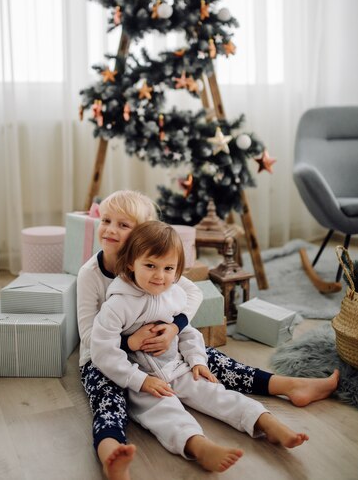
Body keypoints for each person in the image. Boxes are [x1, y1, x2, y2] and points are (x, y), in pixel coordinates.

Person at [77, 190, 338, 479]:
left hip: (166, 357)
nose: (111, 230)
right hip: (111, 359)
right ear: (133, 263)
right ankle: (113, 453)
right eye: (106, 221)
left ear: (144, 234)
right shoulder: (97, 280)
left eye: (123, 225)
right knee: (115, 399)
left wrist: (177, 332)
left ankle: (281, 397)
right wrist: (131, 343)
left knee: (211, 370)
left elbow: (188, 307)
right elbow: (93, 339)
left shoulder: (163, 283)